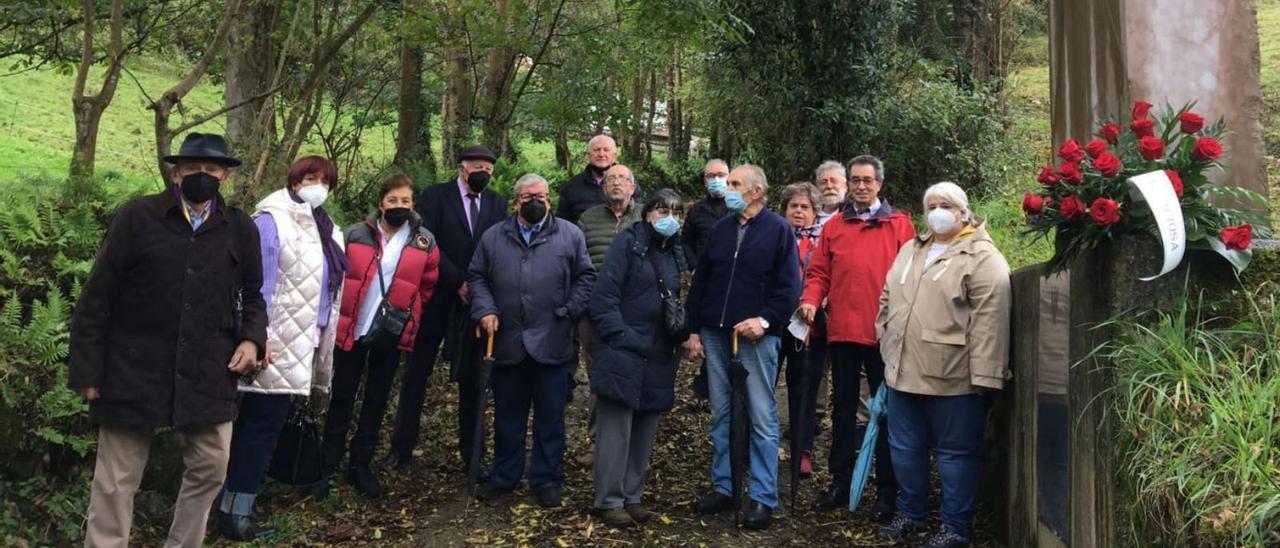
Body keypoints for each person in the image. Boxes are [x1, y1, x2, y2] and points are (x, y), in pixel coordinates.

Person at [68, 132, 267, 547]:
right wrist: (87, 369)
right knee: (115, 480)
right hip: (132, 368)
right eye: (193, 169)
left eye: (211, 170)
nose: (202, 176)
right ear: (176, 173)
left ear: (224, 178)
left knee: (212, 467)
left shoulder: (240, 229)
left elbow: (253, 295)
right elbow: (96, 296)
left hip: (209, 369)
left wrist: (251, 340)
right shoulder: (137, 218)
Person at [218, 155, 348, 540]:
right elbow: (259, 284)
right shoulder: (273, 221)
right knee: (258, 426)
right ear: (294, 181)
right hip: (272, 344)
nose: (318, 186)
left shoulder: (324, 228)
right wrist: (259, 338)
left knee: (265, 425)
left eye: (325, 181)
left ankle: (238, 502)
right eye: (311, 178)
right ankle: (234, 513)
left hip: (301, 344)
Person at [875, 182, 1011, 548]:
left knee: (956, 456)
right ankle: (912, 515)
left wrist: (985, 377)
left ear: (963, 211)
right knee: (904, 450)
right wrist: (884, 337)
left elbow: (991, 321)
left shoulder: (983, 257)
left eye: (945, 205)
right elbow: (887, 295)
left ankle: (955, 528)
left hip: (955, 378)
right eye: (930, 205)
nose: (937, 211)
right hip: (902, 372)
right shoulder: (911, 249)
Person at [469, 173, 596, 508]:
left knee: (550, 416)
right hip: (507, 340)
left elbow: (586, 277)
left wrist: (570, 310)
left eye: (541, 195)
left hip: (553, 340)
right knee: (508, 416)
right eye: (528, 197)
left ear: (550, 200)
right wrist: (485, 309)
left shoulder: (570, 235)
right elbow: (477, 276)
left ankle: (547, 479)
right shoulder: (494, 236)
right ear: (516, 202)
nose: (535, 201)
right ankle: (505, 476)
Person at [684, 164, 800, 530]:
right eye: (727, 182)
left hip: (755, 336)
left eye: (735, 183)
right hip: (716, 333)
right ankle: (726, 486)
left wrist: (764, 320)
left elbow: (789, 287)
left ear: (756, 192)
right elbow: (701, 280)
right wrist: (692, 330)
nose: (727, 188)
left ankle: (763, 496)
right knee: (721, 413)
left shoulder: (779, 230)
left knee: (762, 416)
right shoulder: (720, 230)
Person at [798, 155, 914, 519]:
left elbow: (912, 278)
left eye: (868, 180)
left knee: (886, 415)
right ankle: (840, 482)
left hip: (885, 336)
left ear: (880, 183)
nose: (861, 186)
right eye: (856, 180)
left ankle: (886, 491)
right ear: (848, 184)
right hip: (844, 332)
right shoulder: (835, 227)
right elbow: (819, 272)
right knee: (843, 411)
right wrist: (810, 301)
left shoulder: (899, 225)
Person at [319, 174, 440, 500]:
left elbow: (427, 285)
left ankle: (361, 465)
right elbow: (335, 275)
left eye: (405, 201)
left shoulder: (423, 241)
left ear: (412, 204)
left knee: (376, 399)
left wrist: (411, 316)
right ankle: (327, 466)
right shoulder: (356, 234)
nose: (399, 206)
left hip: (391, 332)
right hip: (353, 328)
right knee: (343, 398)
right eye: (393, 201)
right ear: (380, 203)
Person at [388, 146, 506, 475]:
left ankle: (473, 454)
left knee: (473, 378)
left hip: (476, 302)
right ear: (462, 168)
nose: (483, 171)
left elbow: (497, 244)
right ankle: (402, 448)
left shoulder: (496, 203)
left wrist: (477, 286)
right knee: (416, 375)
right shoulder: (437, 196)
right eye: (477, 166)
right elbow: (427, 241)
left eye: (488, 167)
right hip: (436, 297)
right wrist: (457, 281)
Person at [589, 189, 688, 528]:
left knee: (645, 427)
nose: (669, 217)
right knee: (616, 427)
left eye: (677, 212)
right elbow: (604, 296)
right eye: (663, 210)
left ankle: (632, 495)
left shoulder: (675, 251)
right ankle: (609, 499)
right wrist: (621, 336)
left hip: (660, 351)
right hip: (625, 347)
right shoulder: (627, 243)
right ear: (648, 213)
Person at [573, 163, 642, 464]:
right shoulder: (587, 219)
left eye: (623, 179)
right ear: (603, 187)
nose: (616, 183)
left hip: (635, 311)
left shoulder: (644, 218)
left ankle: (632, 444)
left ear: (633, 187)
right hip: (594, 311)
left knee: (634, 373)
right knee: (599, 376)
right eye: (611, 178)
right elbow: (576, 261)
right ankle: (598, 442)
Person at [776, 182, 826, 479]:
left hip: (809, 326)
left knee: (804, 388)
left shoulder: (823, 240)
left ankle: (802, 449)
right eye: (793, 206)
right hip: (773, 322)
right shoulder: (774, 236)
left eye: (804, 207)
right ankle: (754, 443)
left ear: (814, 212)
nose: (798, 211)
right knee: (762, 384)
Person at [682, 159, 732, 401]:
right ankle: (706, 383)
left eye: (720, 174)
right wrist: (693, 266)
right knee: (705, 327)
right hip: (703, 279)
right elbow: (686, 243)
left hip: (734, 281)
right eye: (710, 176)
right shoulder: (696, 211)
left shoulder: (739, 206)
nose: (716, 180)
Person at [557, 134, 618, 224]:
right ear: (588, 156)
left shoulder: (627, 185)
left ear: (614, 156)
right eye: (596, 150)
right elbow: (562, 224)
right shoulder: (571, 187)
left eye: (606, 150)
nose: (601, 154)